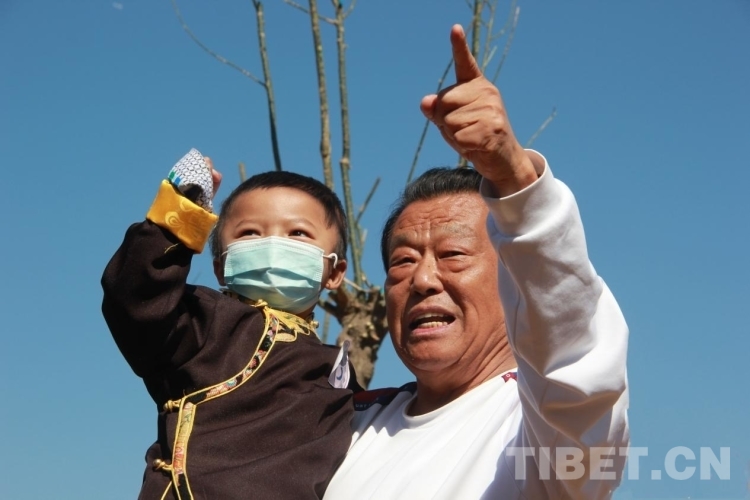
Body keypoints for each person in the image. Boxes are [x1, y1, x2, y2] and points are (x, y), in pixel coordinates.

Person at [323, 25, 629, 500]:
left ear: (517, 282)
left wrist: (514, 177)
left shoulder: (542, 432)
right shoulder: (341, 427)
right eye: (403, 261)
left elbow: (576, 358)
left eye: (453, 255)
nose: (423, 279)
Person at [101, 150, 359, 500]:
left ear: (335, 272)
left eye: (298, 232)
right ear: (221, 267)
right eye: (250, 232)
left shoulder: (338, 370)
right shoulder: (202, 321)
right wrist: (179, 211)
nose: (273, 244)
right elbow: (135, 298)